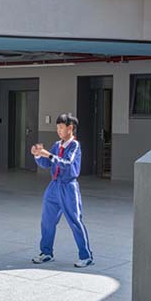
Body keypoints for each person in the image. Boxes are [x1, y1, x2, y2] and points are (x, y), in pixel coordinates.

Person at [30, 113, 94, 268]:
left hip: (68, 187)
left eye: (61, 127)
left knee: (75, 220)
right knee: (47, 220)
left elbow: (67, 163)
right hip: (54, 186)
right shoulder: (57, 145)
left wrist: (49, 155)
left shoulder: (74, 145)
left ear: (70, 128)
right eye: (57, 127)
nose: (58, 130)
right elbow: (47, 163)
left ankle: (86, 256)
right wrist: (38, 155)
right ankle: (46, 252)